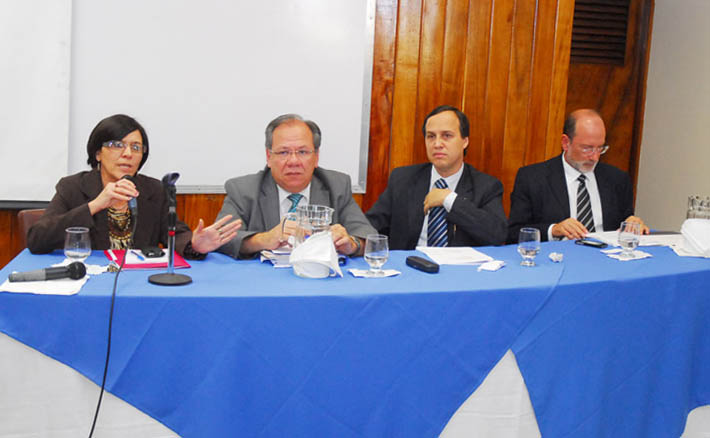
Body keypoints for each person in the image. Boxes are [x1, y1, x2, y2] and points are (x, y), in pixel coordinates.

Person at [27, 114, 241, 257]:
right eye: (117, 145)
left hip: (137, 283)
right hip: (88, 281)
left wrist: (194, 244)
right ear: (98, 153)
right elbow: (37, 239)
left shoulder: (154, 190)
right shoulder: (72, 187)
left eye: (136, 147)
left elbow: (174, 234)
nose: (128, 153)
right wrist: (96, 204)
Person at [215, 113, 376, 259]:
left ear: (316, 156)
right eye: (284, 152)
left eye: (303, 152)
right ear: (269, 156)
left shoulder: (337, 186)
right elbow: (222, 239)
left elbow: (368, 237)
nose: (293, 161)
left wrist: (351, 244)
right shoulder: (243, 189)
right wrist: (264, 239)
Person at [366, 105, 508, 250]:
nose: (437, 144)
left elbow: (497, 235)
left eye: (447, 136)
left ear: (465, 141)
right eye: (431, 136)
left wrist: (450, 200)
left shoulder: (486, 186)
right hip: (410, 265)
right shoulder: (403, 178)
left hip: (459, 269)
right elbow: (372, 223)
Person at [507, 108, 649, 243]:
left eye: (600, 148)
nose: (595, 157)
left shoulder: (617, 179)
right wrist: (554, 229)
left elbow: (625, 223)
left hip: (606, 259)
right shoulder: (533, 178)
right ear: (565, 143)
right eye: (587, 148)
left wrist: (633, 224)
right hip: (558, 258)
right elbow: (513, 233)